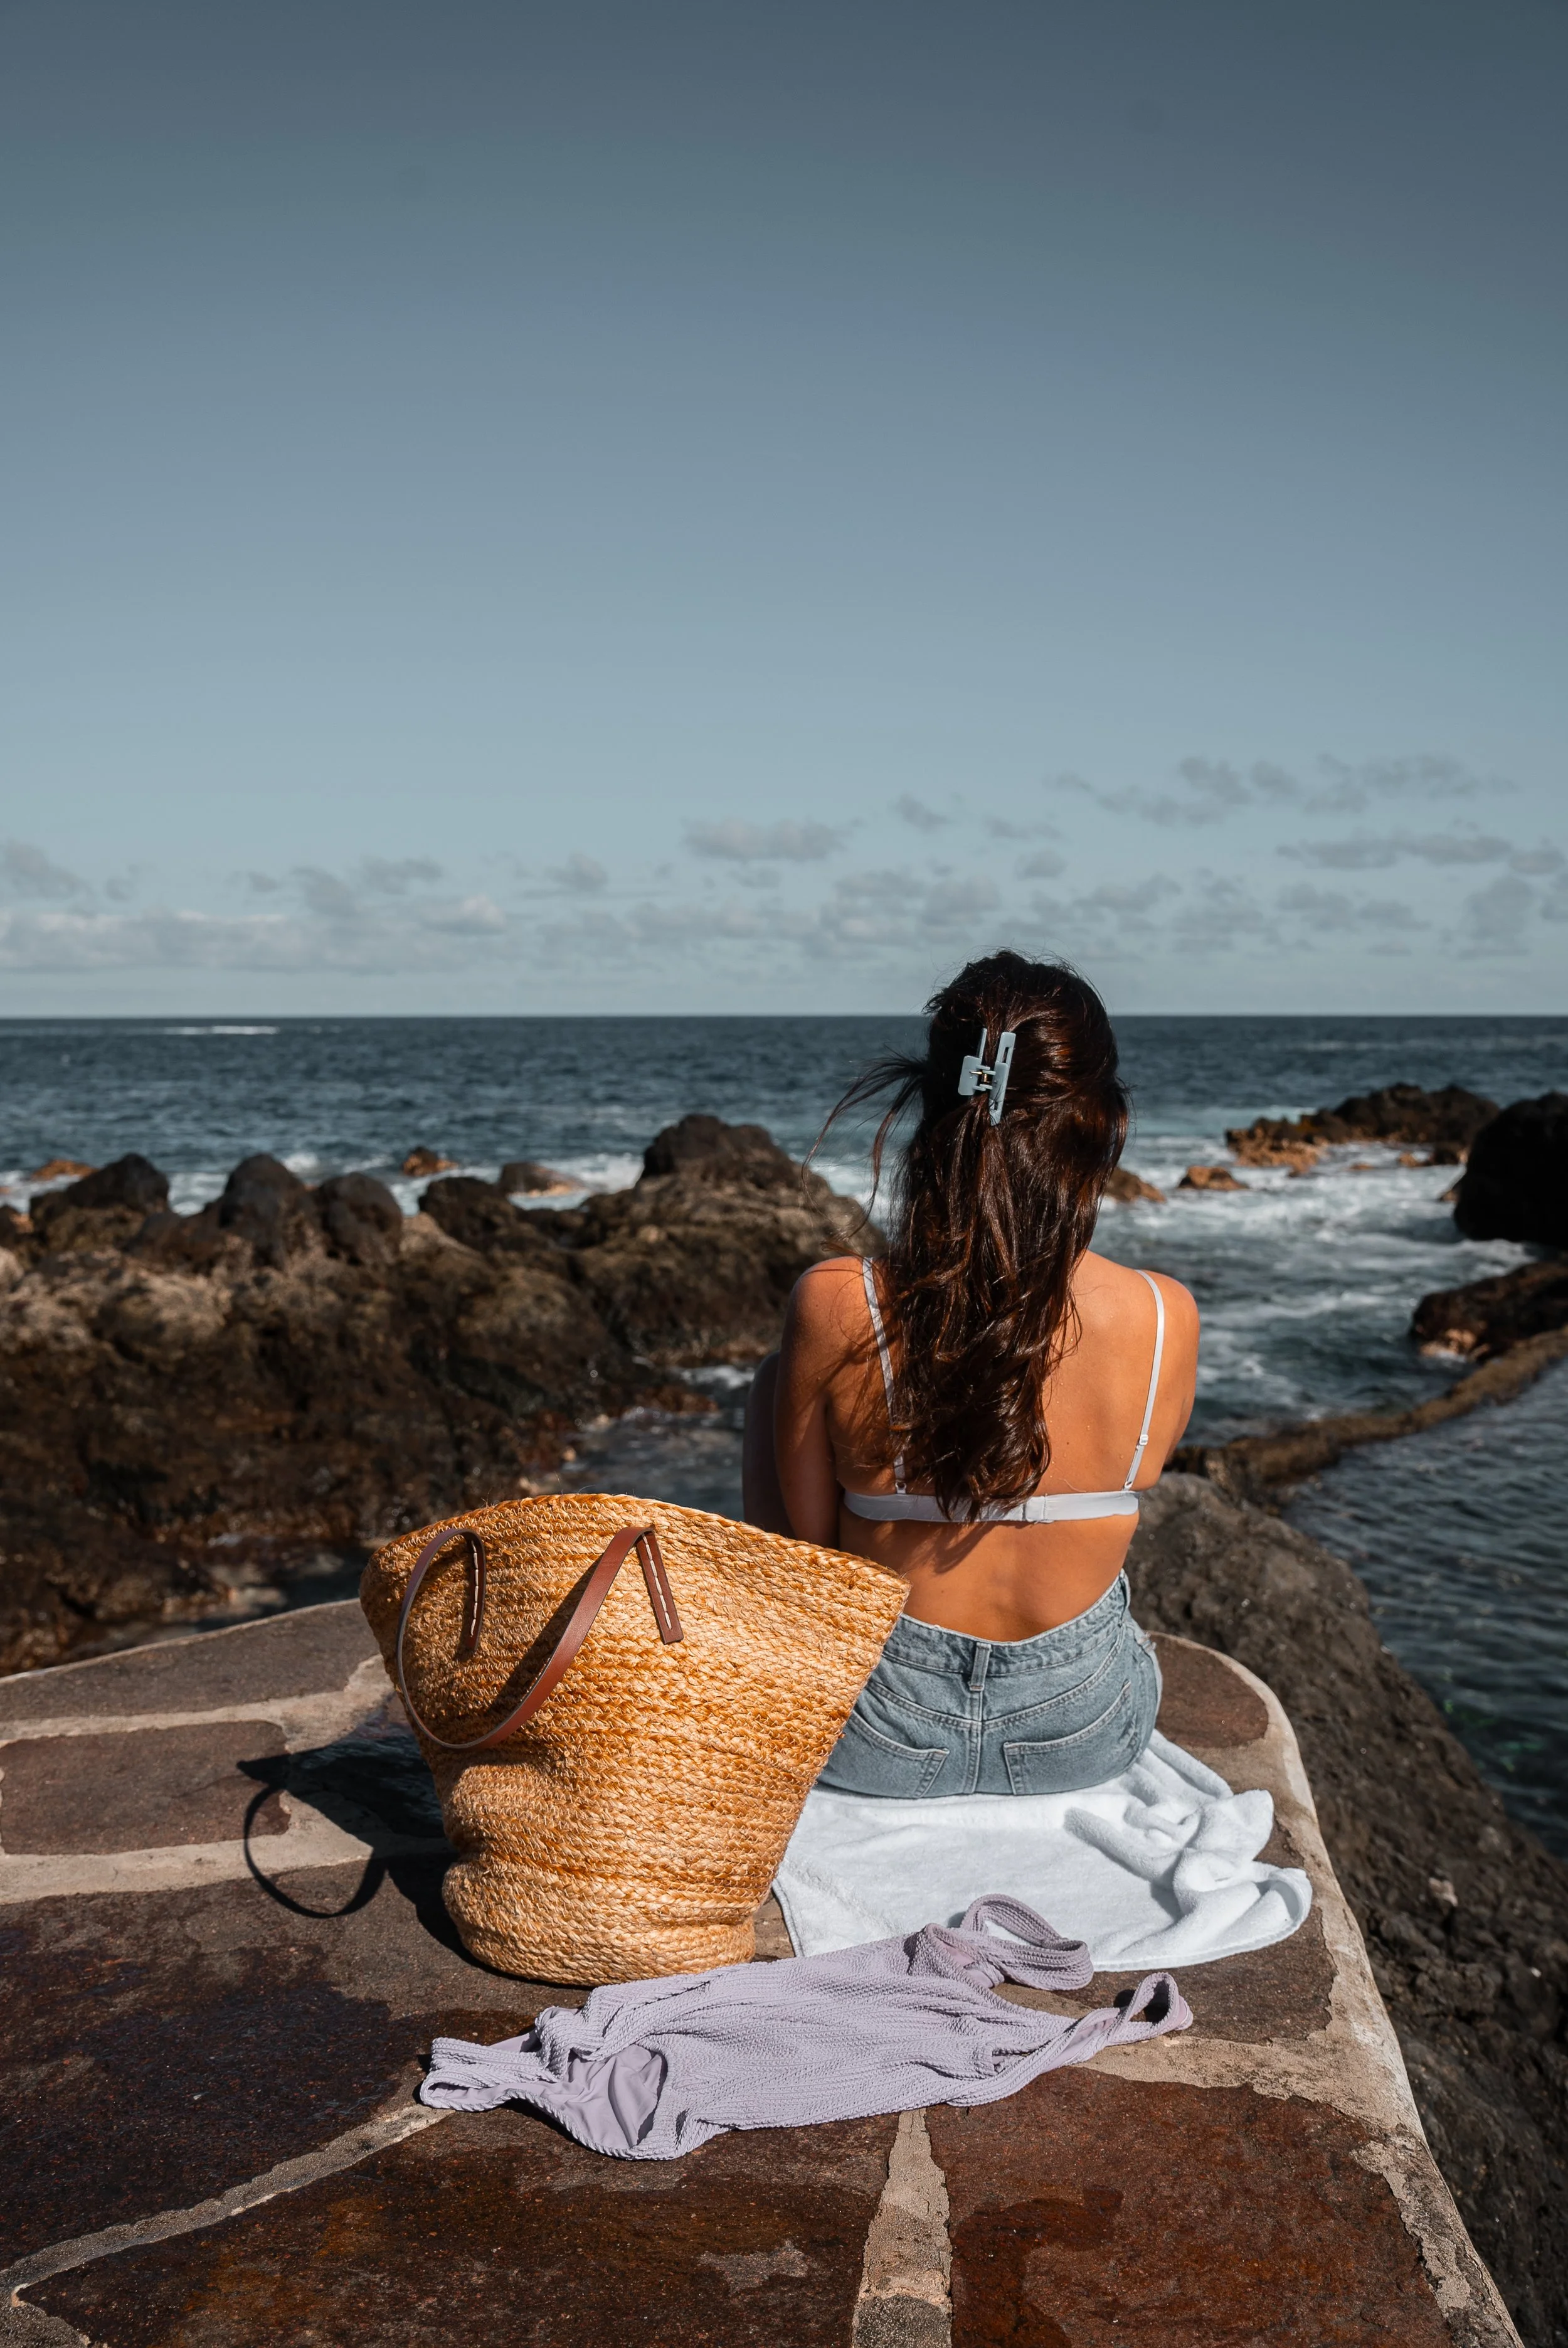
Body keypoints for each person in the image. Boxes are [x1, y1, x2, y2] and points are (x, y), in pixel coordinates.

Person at [742, 951, 1197, 1798]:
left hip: (874, 1734)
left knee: (776, 1378)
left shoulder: (839, 1302)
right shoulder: (1164, 1315)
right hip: (1084, 1729)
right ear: (1099, 1120)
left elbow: (813, 1564)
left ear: (933, 1104)